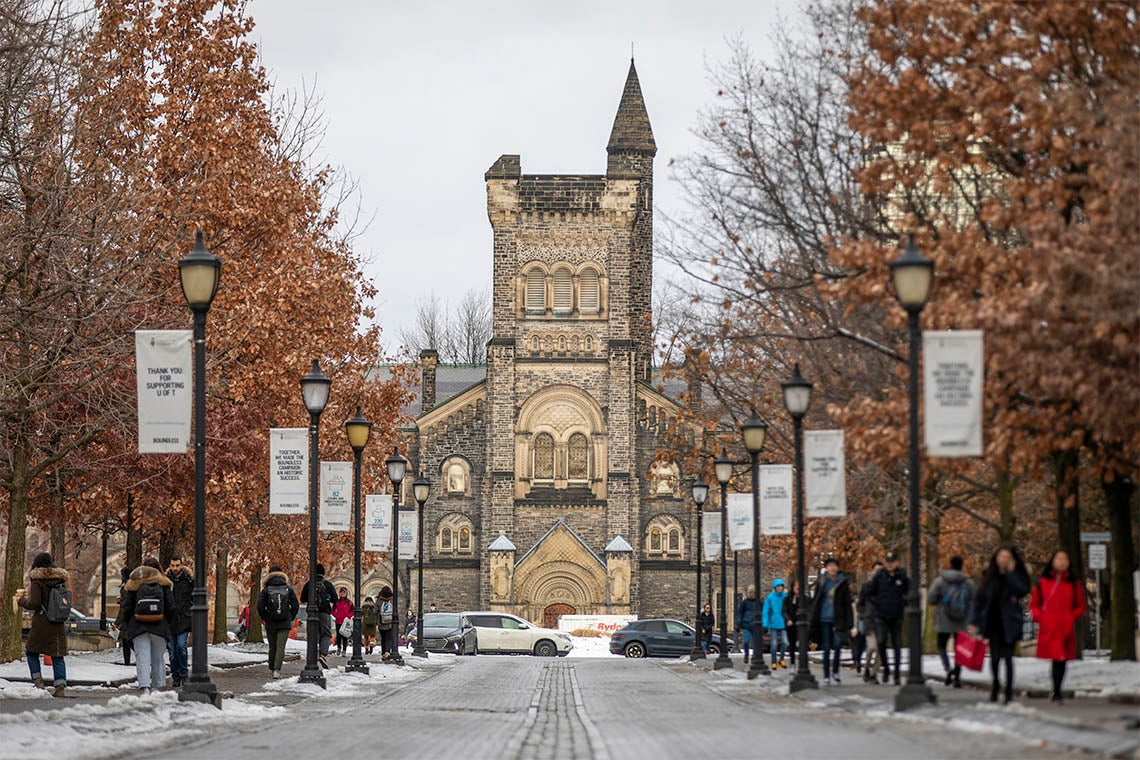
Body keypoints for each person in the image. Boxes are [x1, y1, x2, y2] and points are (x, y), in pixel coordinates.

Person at [969, 546, 1030, 704]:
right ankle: (996, 684)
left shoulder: (1017, 576)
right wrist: (973, 621)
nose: (1003, 560)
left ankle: (1008, 691)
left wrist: (1010, 573)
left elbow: (1022, 591)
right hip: (993, 622)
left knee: (1008, 658)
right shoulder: (989, 577)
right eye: (1001, 556)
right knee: (995, 658)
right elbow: (978, 600)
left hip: (1010, 622)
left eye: (1007, 557)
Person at [1030, 550, 1086, 703]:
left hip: (1065, 626)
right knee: (1056, 658)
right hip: (1050, 625)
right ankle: (1056, 690)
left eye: (1065, 559)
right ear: (1053, 561)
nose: (1061, 562)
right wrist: (1040, 617)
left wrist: (1070, 616)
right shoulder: (1043, 582)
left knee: (1062, 659)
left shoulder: (1074, 584)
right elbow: (1034, 604)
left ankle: (1057, 689)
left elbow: (1080, 605)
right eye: (1058, 558)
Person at [15, 553, 69, 697]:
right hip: (57, 623)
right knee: (57, 655)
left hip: (42, 623)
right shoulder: (61, 580)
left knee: (31, 652)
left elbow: (35, 604)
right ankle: (60, 687)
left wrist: (21, 601)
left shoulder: (37, 581)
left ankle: (38, 681)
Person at [122, 557, 176, 695]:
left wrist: (129, 622)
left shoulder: (134, 584)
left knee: (142, 658)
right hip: (159, 626)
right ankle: (157, 687)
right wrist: (166, 621)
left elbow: (127, 607)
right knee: (158, 658)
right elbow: (171, 607)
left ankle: (145, 687)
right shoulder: (164, 584)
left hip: (139, 627)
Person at [928, 555, 977, 688]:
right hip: (962, 620)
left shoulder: (940, 581)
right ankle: (958, 677)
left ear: (950, 564)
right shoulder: (968, 582)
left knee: (941, 646)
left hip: (943, 619)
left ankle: (948, 668)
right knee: (959, 649)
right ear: (962, 565)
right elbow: (976, 600)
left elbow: (930, 599)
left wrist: (941, 601)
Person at [866, 551, 908, 685]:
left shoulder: (902, 575)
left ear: (897, 562)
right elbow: (870, 593)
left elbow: (909, 591)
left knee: (897, 644)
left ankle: (896, 674)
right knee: (882, 642)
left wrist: (903, 603)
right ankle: (886, 668)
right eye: (888, 562)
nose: (890, 564)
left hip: (896, 615)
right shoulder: (880, 576)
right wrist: (878, 603)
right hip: (881, 615)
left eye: (892, 562)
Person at [810, 558, 852, 685]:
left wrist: (849, 622)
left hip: (837, 619)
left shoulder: (842, 582)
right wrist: (813, 616)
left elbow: (847, 603)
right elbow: (816, 600)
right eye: (830, 566)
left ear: (838, 568)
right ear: (826, 568)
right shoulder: (822, 581)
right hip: (824, 618)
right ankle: (827, 675)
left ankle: (835, 672)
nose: (832, 568)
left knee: (838, 645)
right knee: (827, 647)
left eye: (834, 566)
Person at [256, 565, 299, 679]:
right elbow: (295, 605)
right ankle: (277, 670)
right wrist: (290, 617)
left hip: (271, 622)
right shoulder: (288, 589)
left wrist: (265, 617)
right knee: (281, 646)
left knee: (272, 646)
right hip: (284, 622)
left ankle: (271, 667)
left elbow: (260, 607)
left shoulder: (266, 590)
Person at [299, 562, 337, 668]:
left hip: (312, 614)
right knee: (326, 634)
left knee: (313, 635)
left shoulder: (309, 584)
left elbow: (302, 599)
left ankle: (313, 656)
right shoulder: (327, 584)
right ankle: (323, 654)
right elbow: (335, 599)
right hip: (324, 612)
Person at [166, 555, 193, 688]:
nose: (175, 568)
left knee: (181, 647)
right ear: (170, 566)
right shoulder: (166, 581)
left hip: (183, 619)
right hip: (170, 620)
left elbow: (194, 597)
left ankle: (184, 674)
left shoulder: (188, 580)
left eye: (177, 565)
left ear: (182, 565)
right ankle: (175, 675)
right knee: (172, 651)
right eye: (173, 565)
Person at [857, 561, 883, 684]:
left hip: (883, 622)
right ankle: (866, 667)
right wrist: (863, 614)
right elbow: (860, 603)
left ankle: (874, 674)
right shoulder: (867, 585)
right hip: (869, 621)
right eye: (876, 570)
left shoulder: (886, 586)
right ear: (872, 571)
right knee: (872, 647)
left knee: (880, 650)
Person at [763, 580, 789, 668]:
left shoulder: (786, 597)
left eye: (781, 586)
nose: (779, 588)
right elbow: (766, 611)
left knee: (785, 642)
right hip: (773, 624)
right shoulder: (770, 598)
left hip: (783, 624)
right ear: (775, 588)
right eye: (778, 587)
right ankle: (774, 661)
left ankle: (781, 659)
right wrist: (765, 624)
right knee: (774, 644)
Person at [113, 566, 133, 666]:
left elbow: (123, 608)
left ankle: (127, 663)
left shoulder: (126, 588)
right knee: (129, 641)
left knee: (127, 642)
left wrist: (117, 623)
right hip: (132, 619)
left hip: (127, 620)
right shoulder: (134, 586)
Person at [734, 585, 759, 664]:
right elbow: (740, 614)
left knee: (755, 642)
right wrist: (738, 623)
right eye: (751, 593)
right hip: (746, 625)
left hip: (755, 625)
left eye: (754, 593)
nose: (752, 594)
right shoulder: (744, 602)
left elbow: (763, 613)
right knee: (746, 641)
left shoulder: (759, 602)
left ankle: (755, 656)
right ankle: (746, 654)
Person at [332, 586, 354, 657]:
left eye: (344, 592)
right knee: (338, 636)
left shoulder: (349, 602)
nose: (342, 594)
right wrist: (336, 615)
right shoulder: (337, 602)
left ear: (346, 593)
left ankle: (344, 649)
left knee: (345, 636)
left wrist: (348, 616)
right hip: (338, 621)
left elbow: (353, 610)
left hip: (346, 621)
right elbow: (332, 610)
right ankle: (339, 648)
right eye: (341, 592)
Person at [783, 580, 800, 667]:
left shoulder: (804, 598)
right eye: (796, 586)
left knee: (803, 644)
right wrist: (788, 620)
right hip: (791, 625)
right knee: (792, 644)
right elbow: (784, 611)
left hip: (801, 624)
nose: (798, 588)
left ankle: (802, 664)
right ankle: (792, 662)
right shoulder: (787, 599)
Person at [377, 586, 395, 661]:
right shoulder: (392, 600)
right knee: (388, 638)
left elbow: (375, 611)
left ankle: (383, 652)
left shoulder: (379, 600)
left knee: (383, 638)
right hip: (390, 622)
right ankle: (387, 651)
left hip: (381, 623)